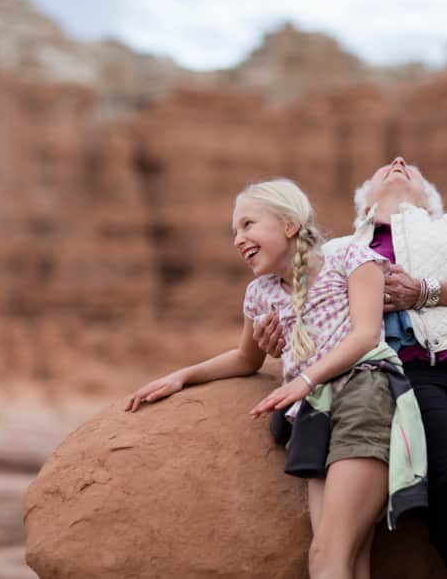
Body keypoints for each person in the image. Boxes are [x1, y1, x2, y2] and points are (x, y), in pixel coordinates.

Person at [125, 178, 425, 579]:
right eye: (234, 231)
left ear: (289, 225)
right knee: (349, 557)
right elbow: (245, 359)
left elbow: (365, 335)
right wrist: (182, 377)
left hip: (362, 395)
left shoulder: (352, 259)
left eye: (248, 224)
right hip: (312, 418)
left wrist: (304, 381)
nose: (238, 239)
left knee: (326, 555)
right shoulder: (260, 293)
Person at [256, 156, 447, 567]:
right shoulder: (341, 250)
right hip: (398, 371)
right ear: (363, 207)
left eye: (409, 168)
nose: (397, 162)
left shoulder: (443, 230)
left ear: (433, 203)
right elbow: (310, 318)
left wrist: (426, 292)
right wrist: (276, 338)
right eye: (383, 169)